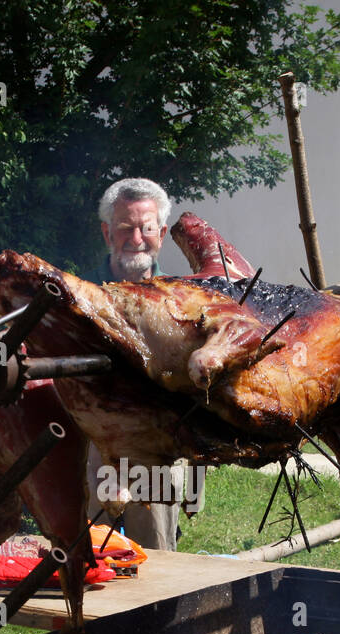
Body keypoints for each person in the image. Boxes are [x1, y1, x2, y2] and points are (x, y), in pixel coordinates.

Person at [87, 177, 198, 549]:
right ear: (107, 233)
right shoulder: (80, 295)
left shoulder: (182, 300)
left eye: (146, 228)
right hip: (94, 448)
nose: (136, 239)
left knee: (157, 554)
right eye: (125, 228)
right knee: (94, 554)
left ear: (161, 233)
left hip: (160, 444)